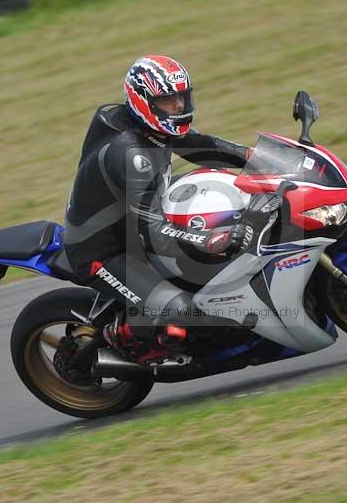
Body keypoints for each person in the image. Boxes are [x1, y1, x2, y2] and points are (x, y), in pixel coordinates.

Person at [62, 55, 253, 363]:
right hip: (104, 251)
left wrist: (254, 157)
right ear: (143, 102)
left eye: (181, 97)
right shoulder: (130, 154)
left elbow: (201, 145)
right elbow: (153, 233)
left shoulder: (150, 127)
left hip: (135, 221)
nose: (178, 106)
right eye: (167, 101)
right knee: (182, 311)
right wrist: (210, 240)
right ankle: (125, 344)